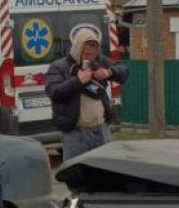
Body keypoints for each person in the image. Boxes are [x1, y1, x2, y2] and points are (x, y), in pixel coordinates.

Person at [45, 29, 128, 161]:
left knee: (107, 172)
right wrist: (78, 81)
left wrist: (109, 73)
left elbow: (124, 71)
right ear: (78, 47)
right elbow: (55, 94)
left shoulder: (99, 61)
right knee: (77, 175)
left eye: (93, 51)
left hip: (102, 130)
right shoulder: (59, 67)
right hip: (76, 133)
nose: (89, 55)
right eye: (86, 51)